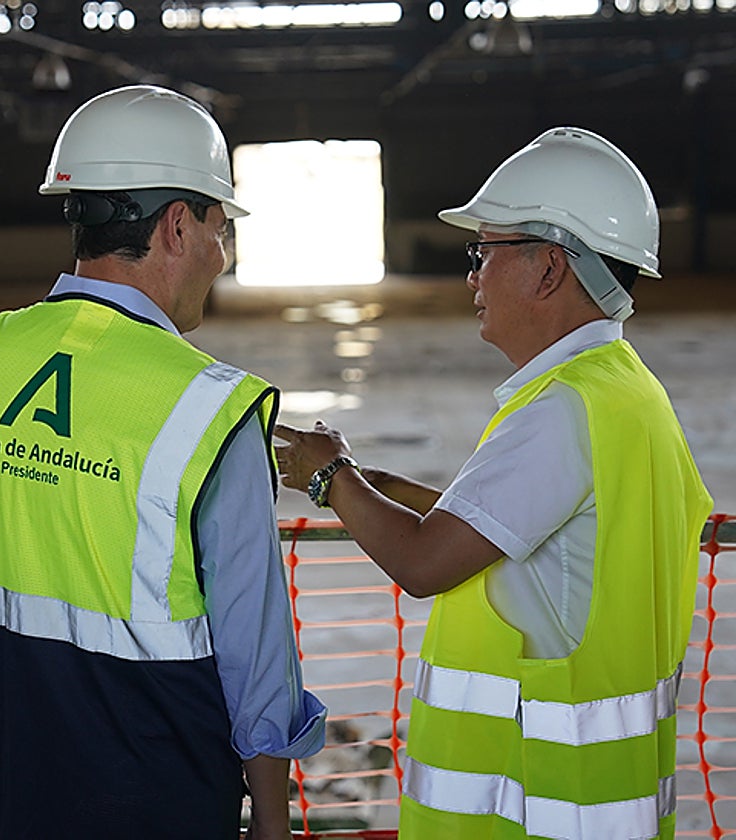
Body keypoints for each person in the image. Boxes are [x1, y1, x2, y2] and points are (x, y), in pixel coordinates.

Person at [275, 127, 713, 839]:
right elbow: (520, 530)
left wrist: (329, 476)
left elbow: (425, 562)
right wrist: (369, 480)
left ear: (548, 269)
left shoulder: (561, 410)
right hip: (599, 809)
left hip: (531, 810)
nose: (472, 276)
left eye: (484, 253)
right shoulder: (624, 393)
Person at [0, 85, 326, 840]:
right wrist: (273, 822)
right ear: (176, 225)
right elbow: (254, 654)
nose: (221, 255)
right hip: (153, 795)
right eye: (219, 227)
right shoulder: (210, 409)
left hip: (4, 783)